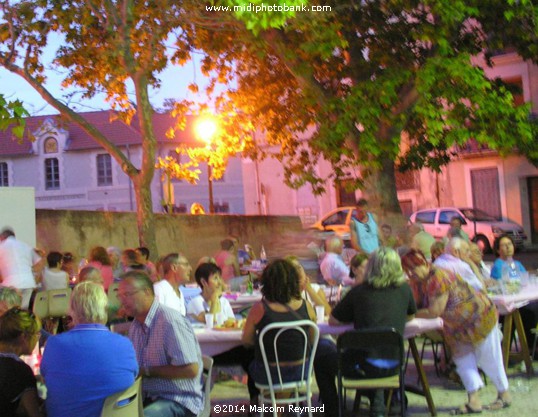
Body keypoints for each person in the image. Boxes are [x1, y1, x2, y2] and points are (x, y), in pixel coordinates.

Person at [401, 249, 511, 414]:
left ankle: (504, 394)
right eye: (406, 270)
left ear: (423, 263)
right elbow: (416, 302)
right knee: (462, 359)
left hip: (479, 318)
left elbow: (434, 311)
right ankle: (474, 401)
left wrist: (408, 314)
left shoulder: (438, 276)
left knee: (489, 356)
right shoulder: (417, 282)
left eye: (413, 268)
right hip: (456, 327)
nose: (410, 273)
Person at [314, 247, 416, 417]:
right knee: (374, 355)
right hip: (394, 365)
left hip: (361, 367)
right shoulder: (404, 290)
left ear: (371, 267)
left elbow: (333, 321)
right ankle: (380, 400)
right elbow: (410, 316)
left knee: (322, 358)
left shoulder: (358, 292)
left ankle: (332, 410)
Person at [41, 282, 138, 417]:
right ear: (105, 308)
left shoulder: (53, 344)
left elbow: (46, 379)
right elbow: (132, 377)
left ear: (71, 310)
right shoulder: (124, 344)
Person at [118, 271, 204, 417]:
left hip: (179, 399)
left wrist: (147, 371)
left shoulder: (170, 321)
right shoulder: (136, 325)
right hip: (148, 396)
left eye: (127, 295)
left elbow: (191, 369)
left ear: (146, 292)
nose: (122, 301)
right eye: (120, 296)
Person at [242, 259, 317, 387]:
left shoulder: (259, 309)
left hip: (270, 374)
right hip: (301, 372)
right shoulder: (306, 306)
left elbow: (247, 341)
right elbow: (312, 339)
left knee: (248, 358)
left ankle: (258, 403)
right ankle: (285, 401)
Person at [490, 234, 538, 356]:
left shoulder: (516, 263)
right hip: (507, 305)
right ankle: (532, 347)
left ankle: (533, 347)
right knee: (531, 310)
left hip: (519, 299)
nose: (508, 247)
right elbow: (504, 285)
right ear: (497, 250)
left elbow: (524, 280)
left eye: (510, 244)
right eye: (504, 245)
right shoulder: (498, 265)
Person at [0, 307, 44, 417]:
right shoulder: (20, 371)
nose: (36, 339)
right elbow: (34, 413)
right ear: (24, 337)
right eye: (36, 334)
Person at [0, 228, 43, 309]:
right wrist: (36, 278)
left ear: (1, 237)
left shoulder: (1, 247)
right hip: (28, 282)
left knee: (10, 310)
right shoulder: (25, 245)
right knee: (23, 310)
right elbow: (39, 263)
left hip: (11, 284)